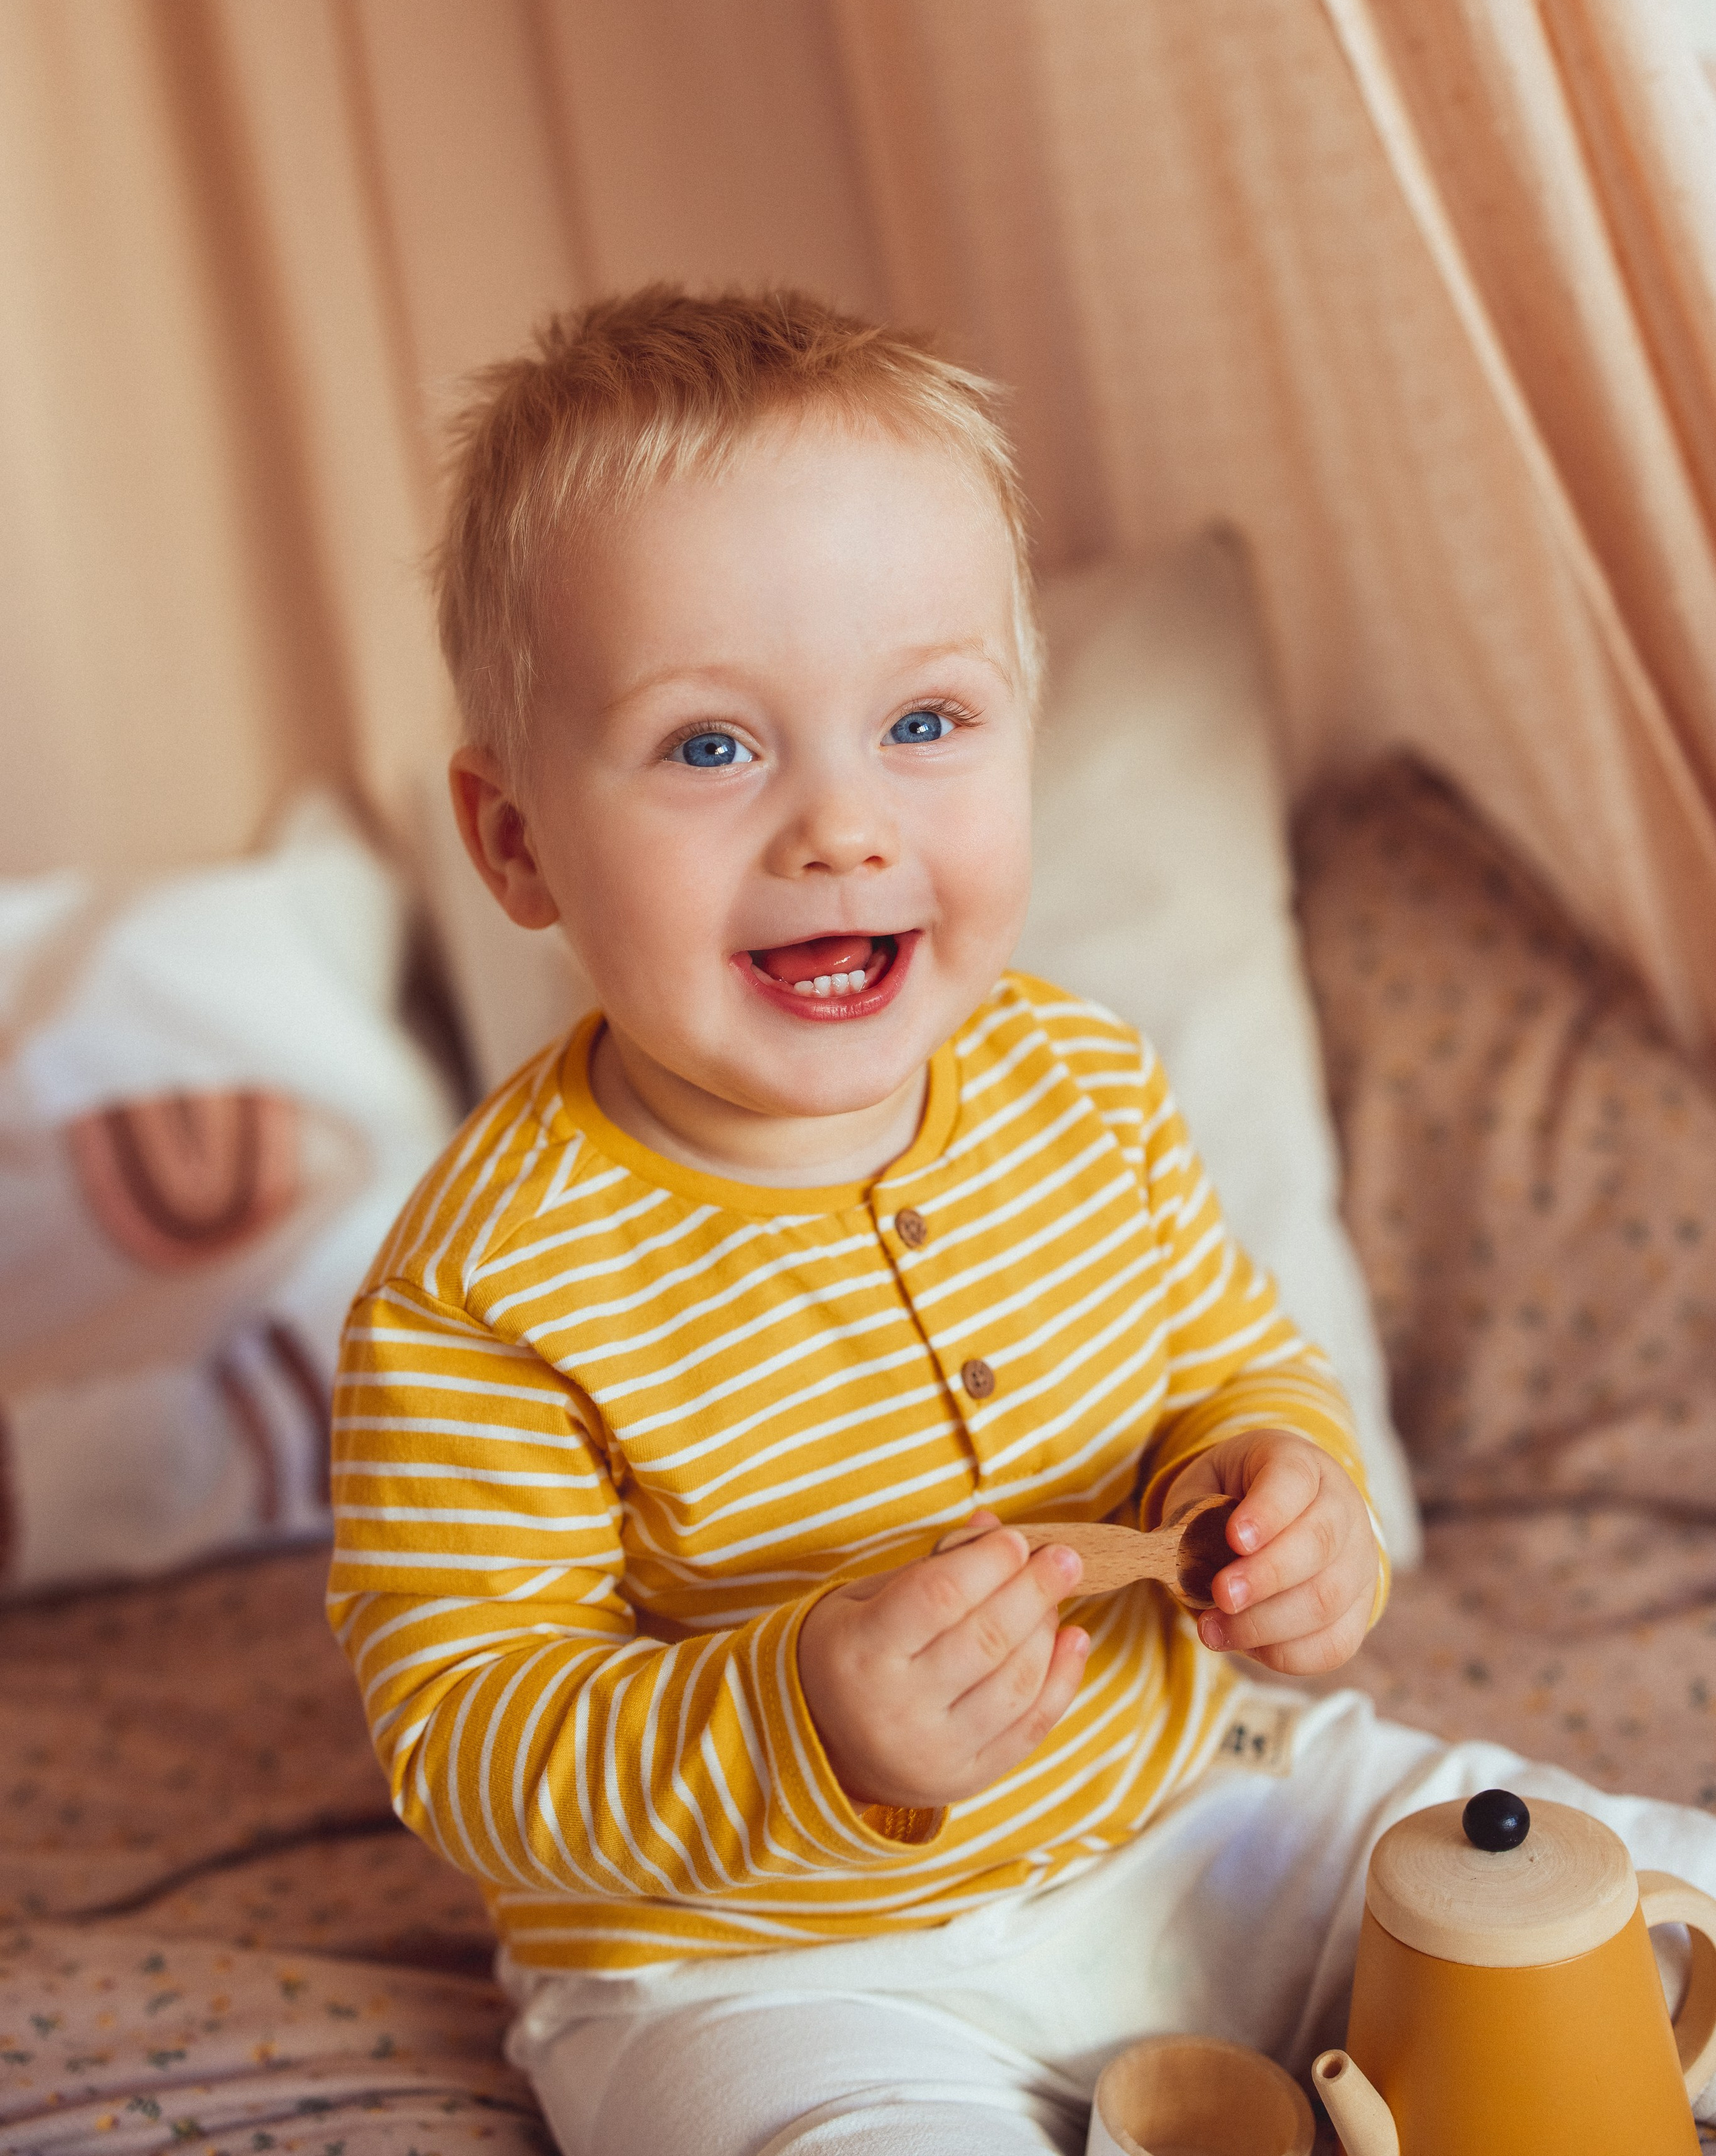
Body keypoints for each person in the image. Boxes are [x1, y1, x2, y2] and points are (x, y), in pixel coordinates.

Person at [328, 286, 1716, 2156]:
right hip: (761, 1960)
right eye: (711, 748)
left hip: (1217, 1811)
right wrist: (800, 1723)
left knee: (1628, 1902)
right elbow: (468, 1726)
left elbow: (1232, 1357)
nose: (839, 825)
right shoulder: (481, 1279)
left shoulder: (1077, 1078)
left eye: (922, 720)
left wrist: (1286, 1491)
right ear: (513, 843)